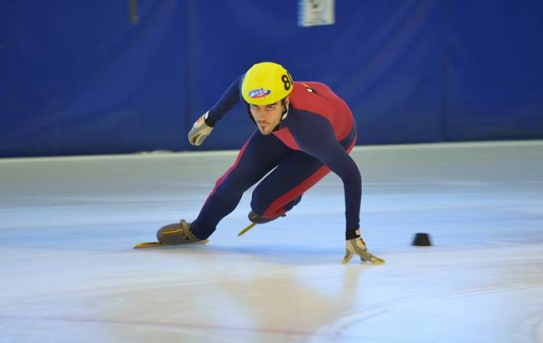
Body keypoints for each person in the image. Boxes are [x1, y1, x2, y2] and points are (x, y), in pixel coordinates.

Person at [156, 62, 384, 265]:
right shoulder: (259, 95)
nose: (262, 117)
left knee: (262, 206)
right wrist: (209, 119)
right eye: (256, 107)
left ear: (285, 102)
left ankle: (290, 196)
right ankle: (199, 230)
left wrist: (352, 233)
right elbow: (239, 85)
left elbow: (351, 175)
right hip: (287, 128)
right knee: (235, 179)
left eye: (270, 107)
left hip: (329, 136)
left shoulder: (313, 133)